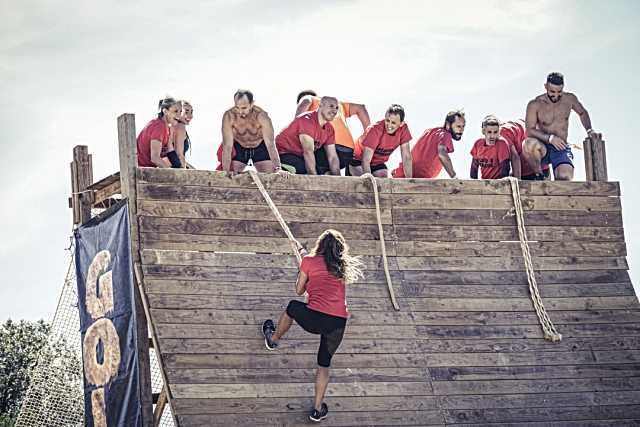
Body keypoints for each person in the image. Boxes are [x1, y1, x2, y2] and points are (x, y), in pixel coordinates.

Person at [262, 229, 363, 423]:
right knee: (324, 364)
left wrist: (304, 274)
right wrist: (300, 251)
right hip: (337, 323)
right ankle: (317, 409)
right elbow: (316, 264)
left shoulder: (309, 262)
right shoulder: (341, 267)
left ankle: (273, 339)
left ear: (320, 245)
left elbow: (299, 291)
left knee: (292, 307)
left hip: (315, 318)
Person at [523, 72, 601, 181]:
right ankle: (540, 176)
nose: (556, 95)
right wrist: (550, 139)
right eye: (552, 91)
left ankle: (558, 172)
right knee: (528, 144)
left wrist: (589, 130)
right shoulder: (535, 104)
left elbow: (582, 113)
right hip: (542, 147)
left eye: (559, 92)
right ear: (546, 87)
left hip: (561, 147)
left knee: (564, 177)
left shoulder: (569, 99)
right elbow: (529, 131)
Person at [296, 90, 370, 174]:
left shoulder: (309, 99)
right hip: (347, 151)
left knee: (306, 155)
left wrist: (296, 125)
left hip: (327, 148)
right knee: (331, 170)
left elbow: (304, 103)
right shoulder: (339, 104)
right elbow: (361, 108)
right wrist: (368, 136)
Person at [219, 90, 282, 173]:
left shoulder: (262, 116)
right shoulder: (229, 116)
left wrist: (278, 168)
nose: (240, 112)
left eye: (244, 108)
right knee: (233, 177)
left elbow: (270, 144)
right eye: (237, 107)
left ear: (252, 104)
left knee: (270, 177)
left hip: (259, 146)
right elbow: (227, 146)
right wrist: (225, 172)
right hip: (240, 147)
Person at [276, 97, 341, 175]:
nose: (334, 111)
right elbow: (308, 152)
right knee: (307, 171)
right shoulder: (307, 120)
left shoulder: (329, 129)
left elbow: (333, 157)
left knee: (326, 173)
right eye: (331, 106)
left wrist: (339, 179)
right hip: (283, 154)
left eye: (337, 108)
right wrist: (314, 181)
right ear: (320, 105)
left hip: (299, 156)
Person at [392, 110, 466, 178]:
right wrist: (454, 177)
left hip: (402, 175)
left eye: (463, 126)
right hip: (412, 180)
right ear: (448, 125)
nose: (462, 130)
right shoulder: (445, 134)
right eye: (458, 126)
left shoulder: (430, 132)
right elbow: (442, 155)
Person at [348, 104, 413, 177]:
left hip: (377, 163)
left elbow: (406, 157)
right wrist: (369, 181)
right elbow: (365, 160)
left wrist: (409, 181)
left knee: (383, 182)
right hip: (358, 160)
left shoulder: (403, 130)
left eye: (393, 123)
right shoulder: (375, 129)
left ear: (401, 124)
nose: (389, 125)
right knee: (365, 184)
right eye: (387, 120)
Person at [469, 115, 521, 179]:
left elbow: (505, 168)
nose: (492, 136)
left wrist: (500, 185)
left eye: (495, 132)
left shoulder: (502, 144)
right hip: (485, 181)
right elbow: (474, 167)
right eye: (489, 132)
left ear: (499, 132)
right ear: (483, 131)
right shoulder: (478, 144)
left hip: (498, 182)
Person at [137, 97, 181, 168]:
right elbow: (155, 158)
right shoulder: (159, 126)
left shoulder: (167, 127)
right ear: (165, 111)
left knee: (182, 165)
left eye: (180, 112)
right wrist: (171, 173)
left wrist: (179, 167)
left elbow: (171, 152)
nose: (179, 115)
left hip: (150, 167)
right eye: (175, 111)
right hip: (142, 168)